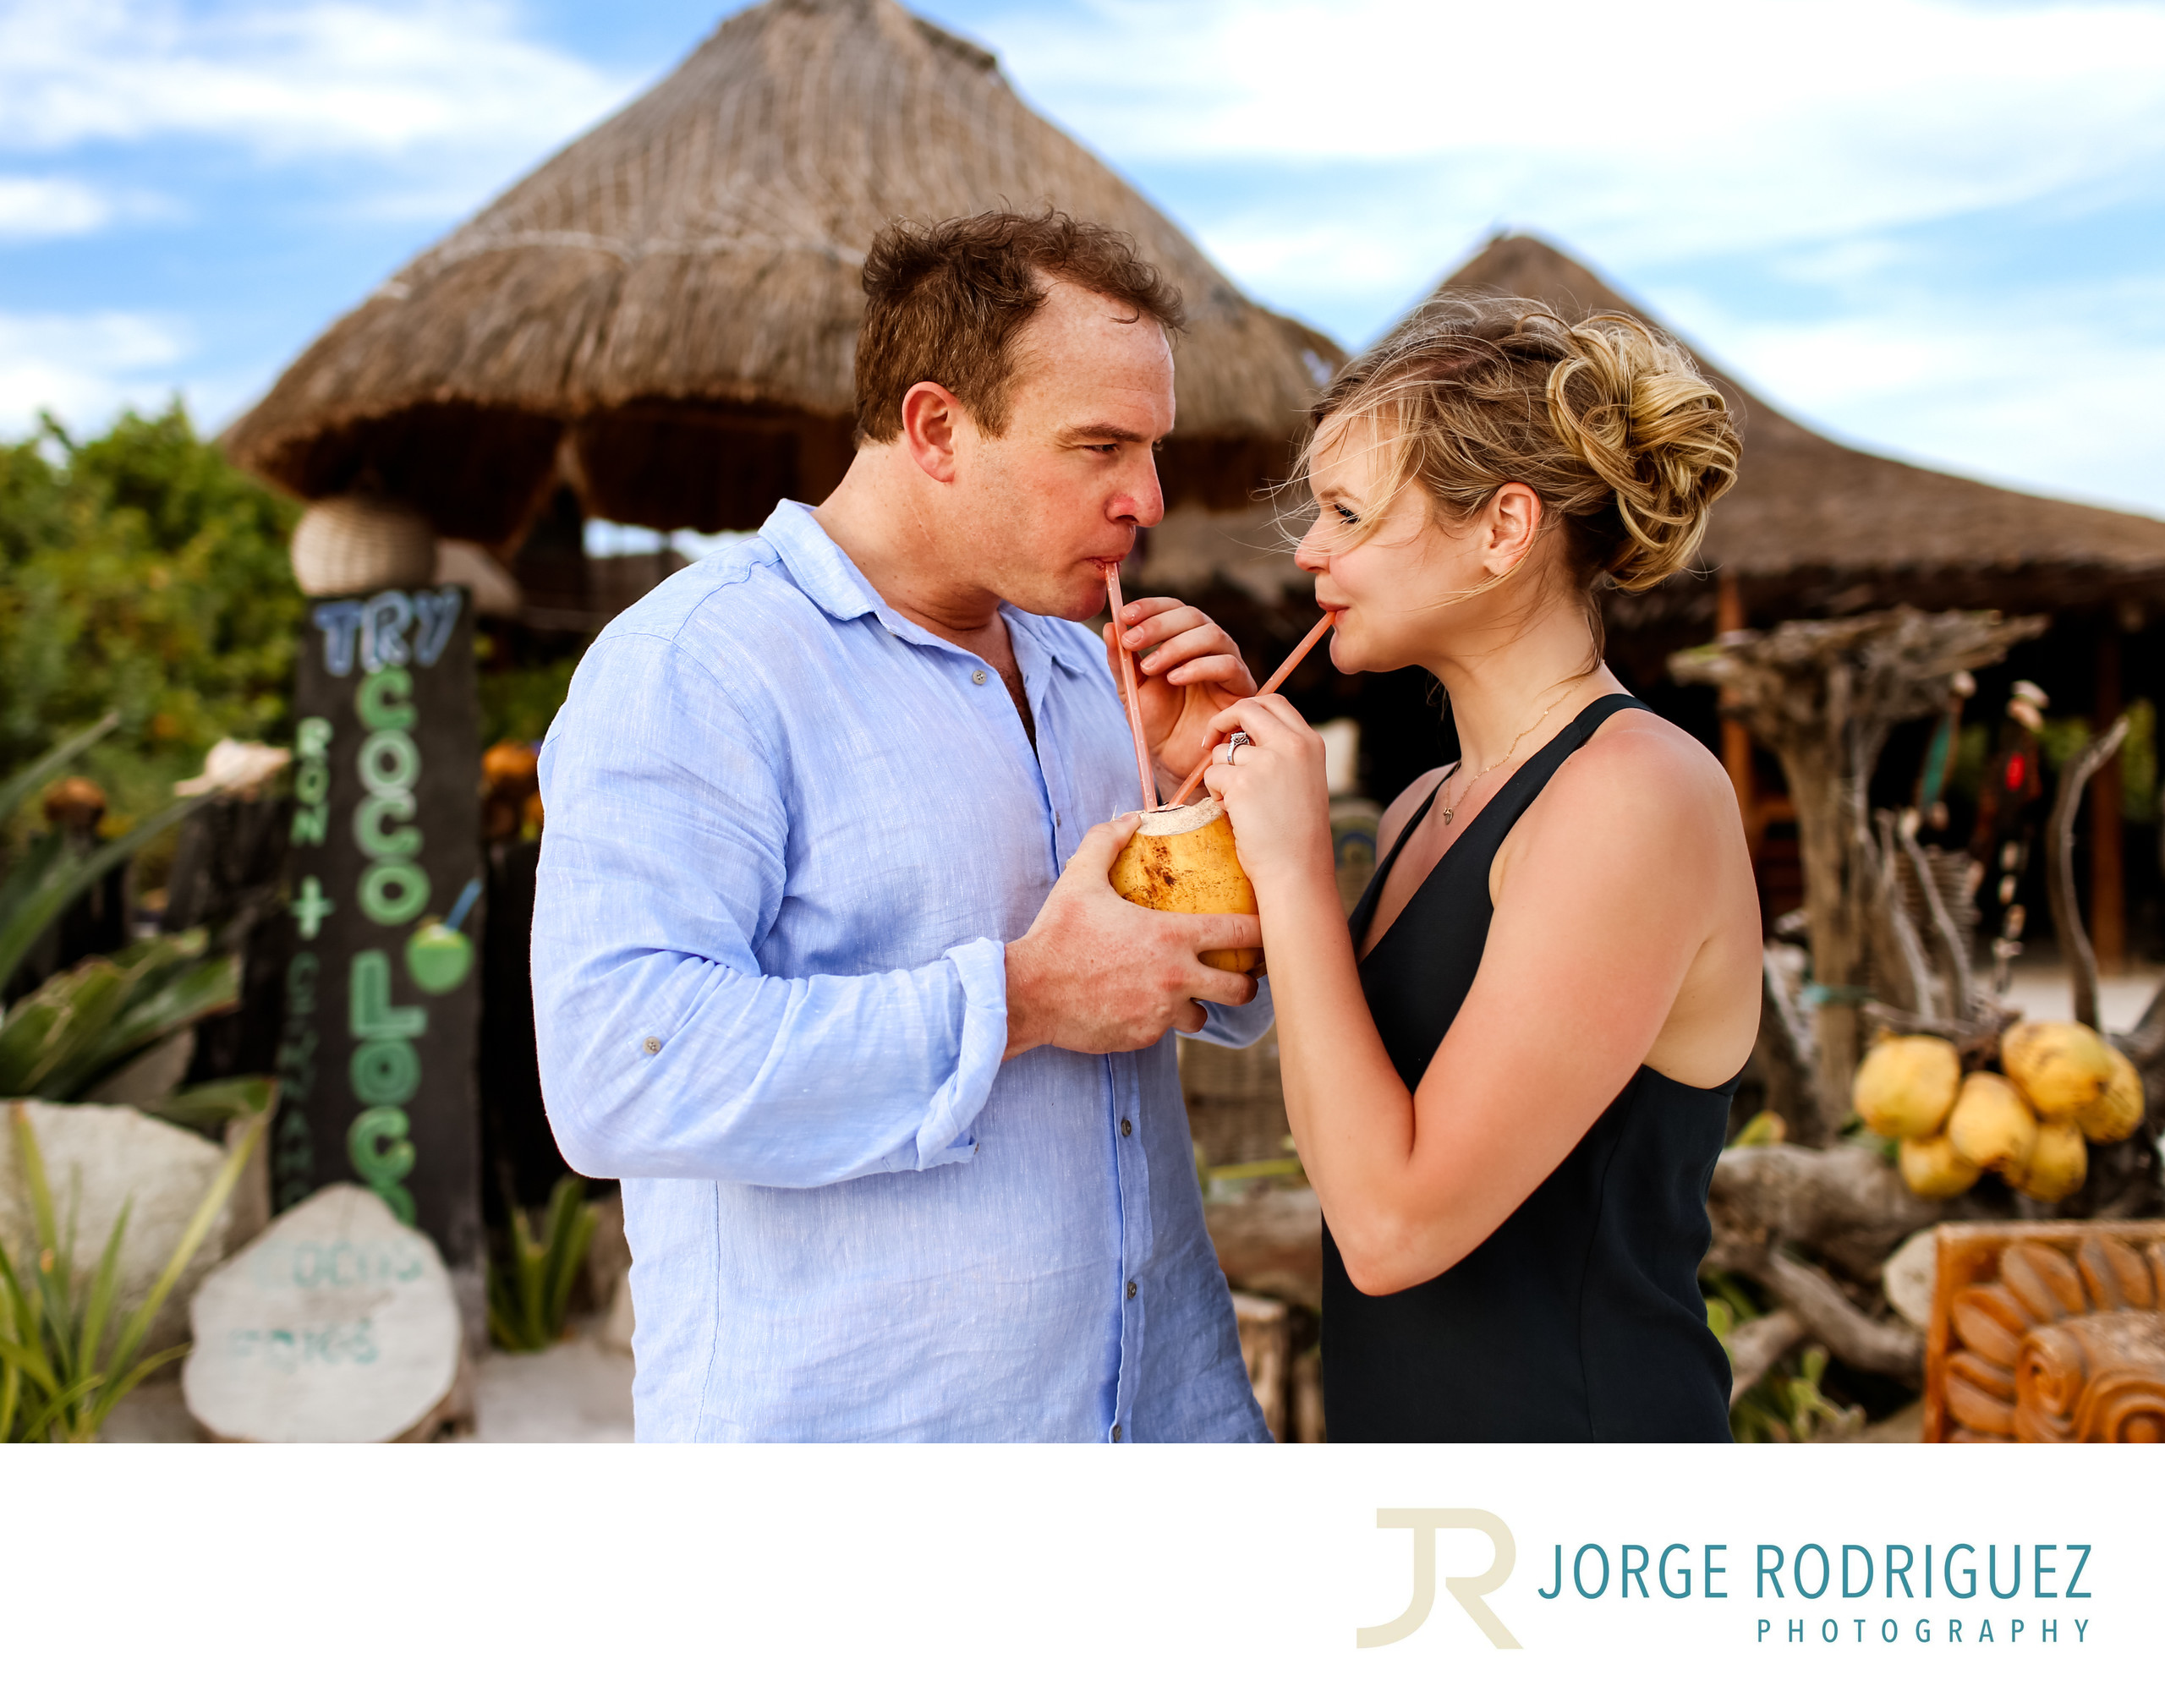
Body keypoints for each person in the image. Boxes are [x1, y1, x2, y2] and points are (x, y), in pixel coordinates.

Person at [531, 210, 1274, 1442]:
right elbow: (615, 1071)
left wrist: (1205, 810)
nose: (1145, 499)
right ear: (935, 427)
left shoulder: (1096, 670)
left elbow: (1211, 997)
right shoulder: (696, 666)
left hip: (1167, 1419)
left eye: (1151, 448)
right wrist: (1025, 998)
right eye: (1099, 446)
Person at [1199, 299, 1761, 1442]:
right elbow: (1340, 1127)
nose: (1309, 550)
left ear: (1505, 528)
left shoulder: (1632, 795)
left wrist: (1302, 865)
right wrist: (1198, 799)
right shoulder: (1423, 808)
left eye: (1350, 513)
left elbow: (1394, 1228)